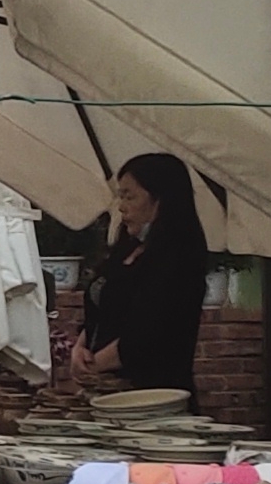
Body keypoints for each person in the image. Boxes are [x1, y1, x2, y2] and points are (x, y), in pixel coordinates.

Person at [74, 152, 212, 397]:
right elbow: (104, 307)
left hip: (151, 396)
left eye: (130, 196)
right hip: (106, 390)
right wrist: (80, 346)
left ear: (159, 200)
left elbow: (148, 331)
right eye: (120, 196)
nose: (121, 206)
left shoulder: (178, 260)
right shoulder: (125, 249)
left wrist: (93, 365)